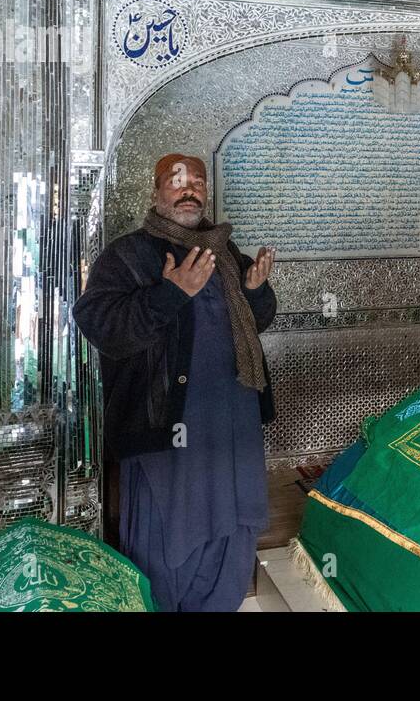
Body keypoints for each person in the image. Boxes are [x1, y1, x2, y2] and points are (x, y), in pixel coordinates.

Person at [73, 153, 277, 611]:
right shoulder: (129, 255)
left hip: (232, 419)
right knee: (170, 528)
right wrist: (169, 295)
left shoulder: (225, 252)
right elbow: (98, 323)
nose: (190, 190)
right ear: (156, 193)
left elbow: (254, 323)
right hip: (166, 424)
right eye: (177, 181)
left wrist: (257, 292)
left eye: (198, 183)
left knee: (232, 522)